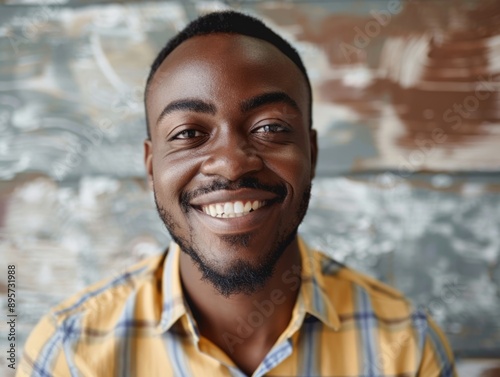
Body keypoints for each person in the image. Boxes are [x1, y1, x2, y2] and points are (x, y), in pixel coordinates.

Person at [18, 11, 457, 377]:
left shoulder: (406, 348)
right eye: (189, 133)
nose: (230, 163)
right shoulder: (68, 355)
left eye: (269, 127)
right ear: (152, 167)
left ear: (312, 152)